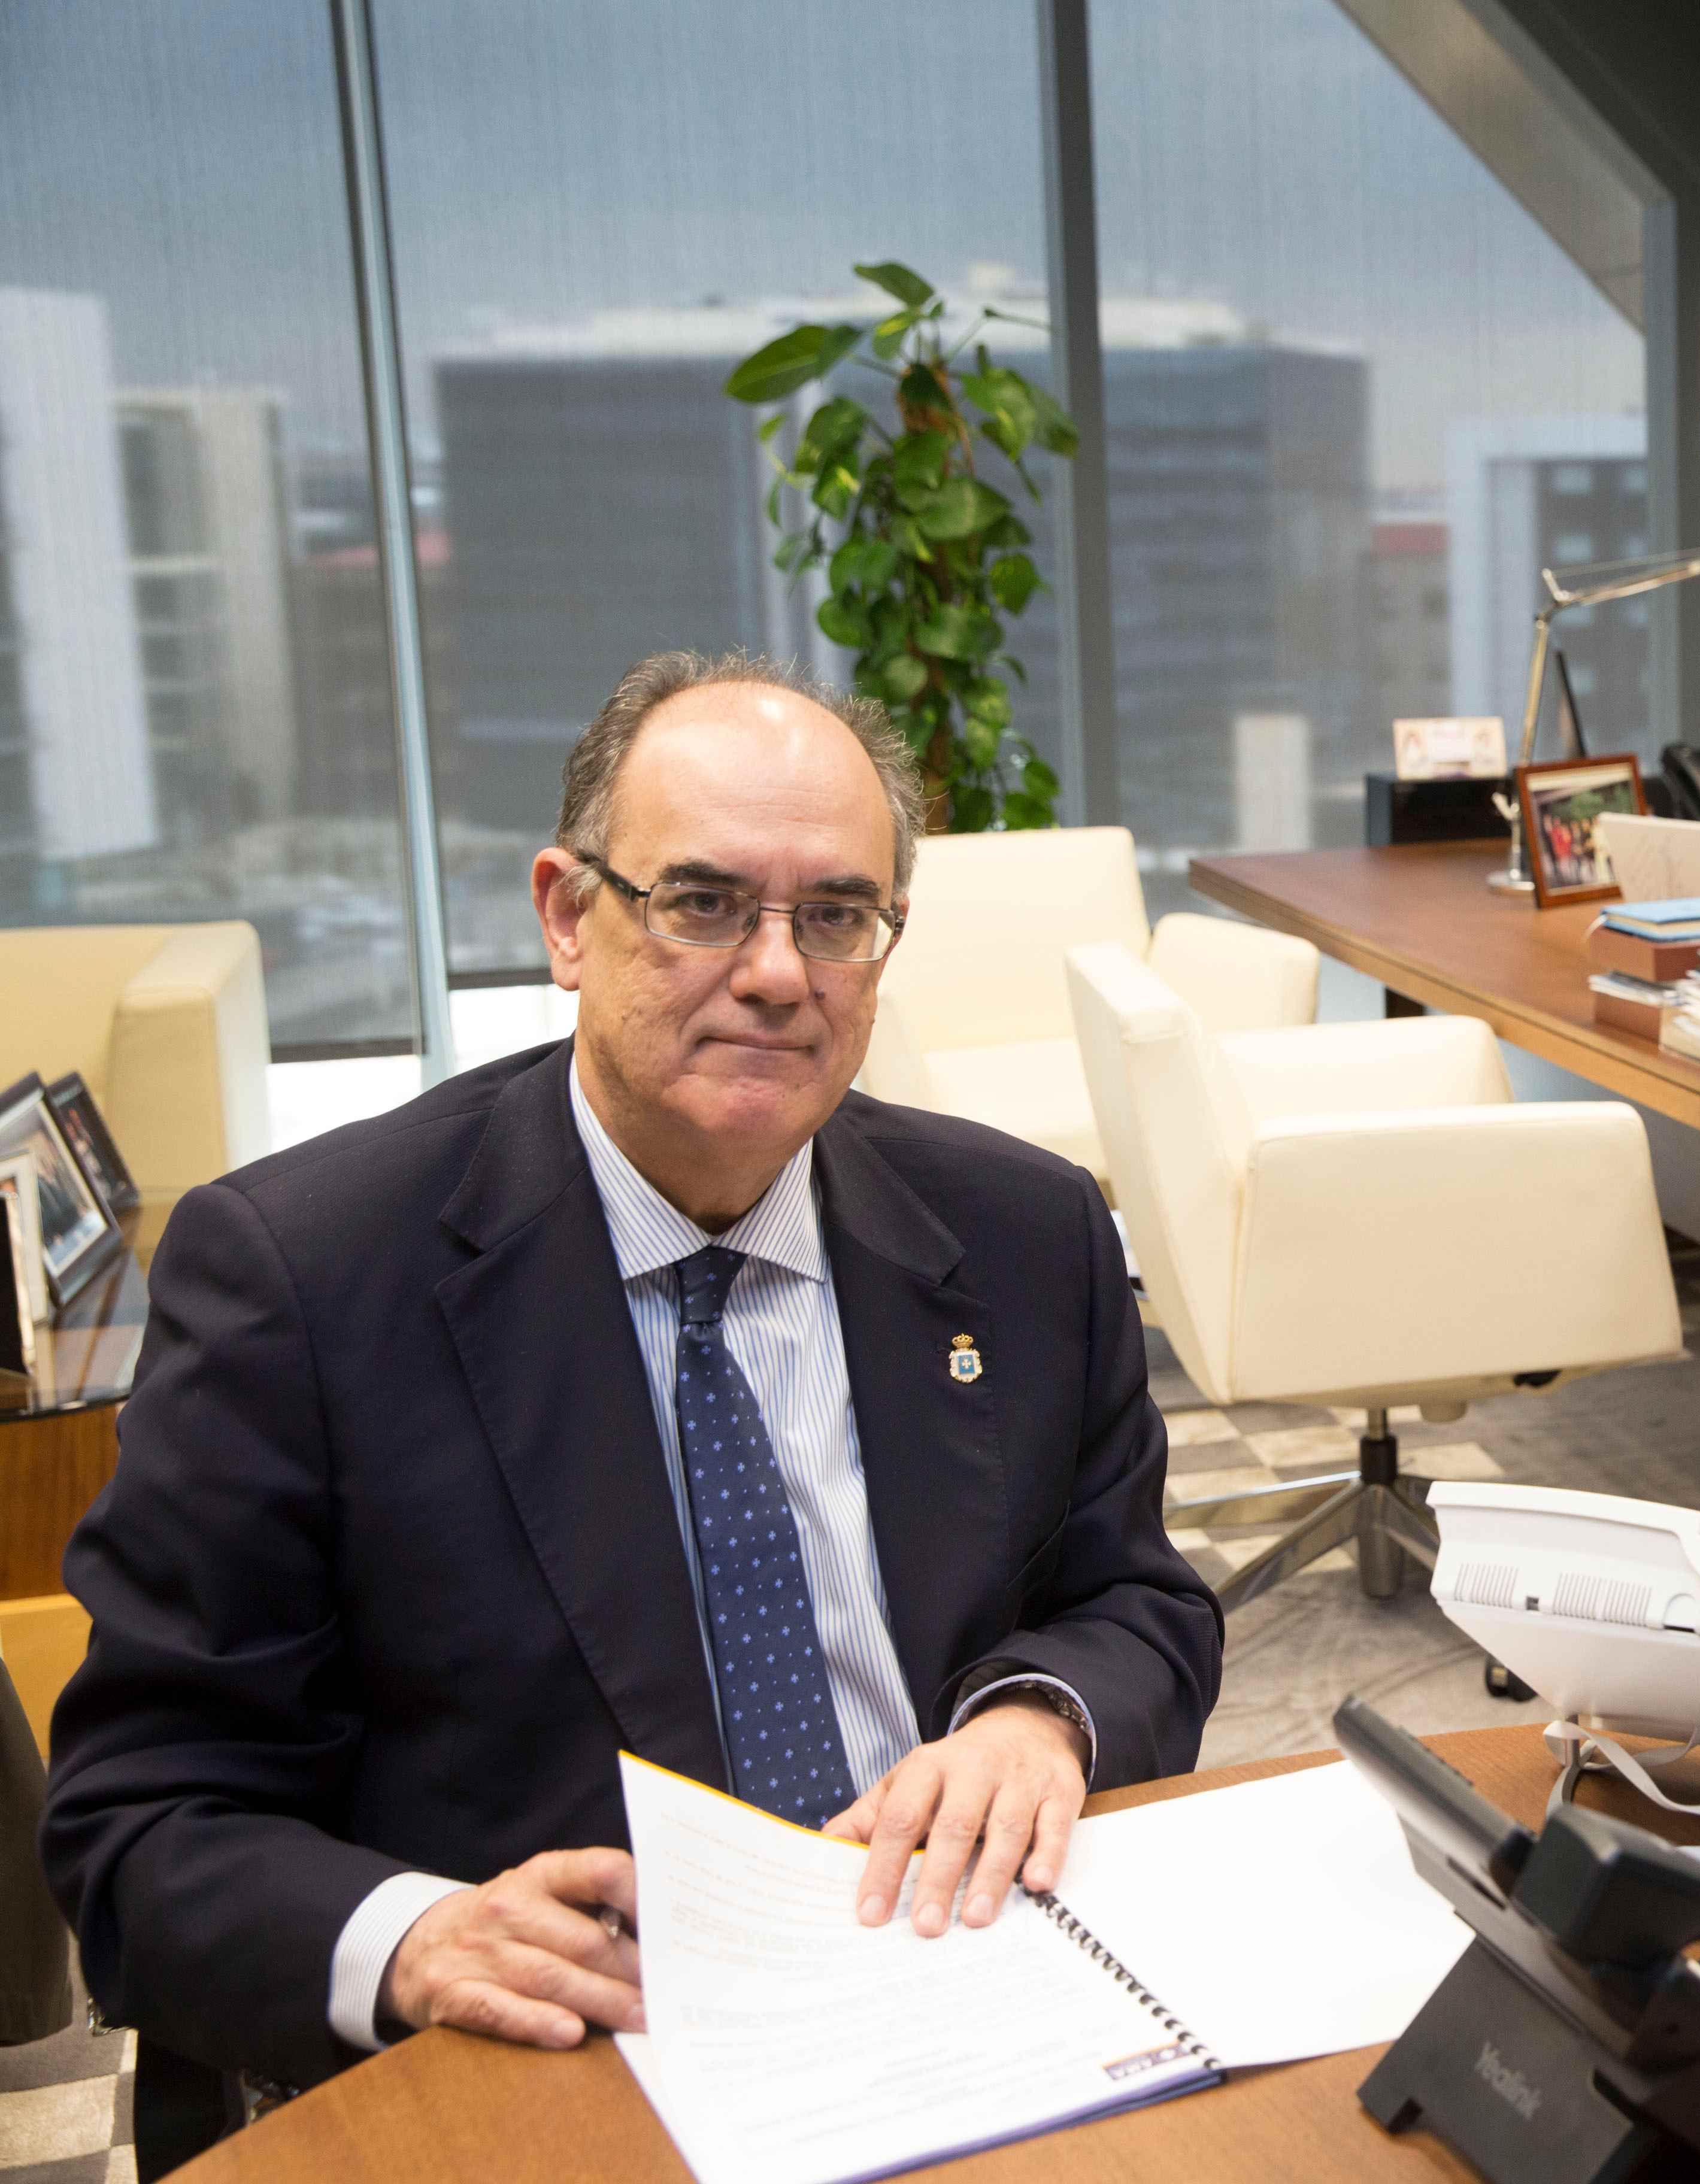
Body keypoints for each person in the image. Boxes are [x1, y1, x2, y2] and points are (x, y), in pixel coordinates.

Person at [44, 652, 1219, 2162]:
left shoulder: (1025, 1234)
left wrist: (1037, 1718)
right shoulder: (305, 1278)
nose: (779, 972)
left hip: (968, 2006)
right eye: (704, 902)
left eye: (836, 916)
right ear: (565, 917)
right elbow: (139, 1819)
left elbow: (1135, 1601)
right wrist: (414, 1940)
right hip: (564, 2076)